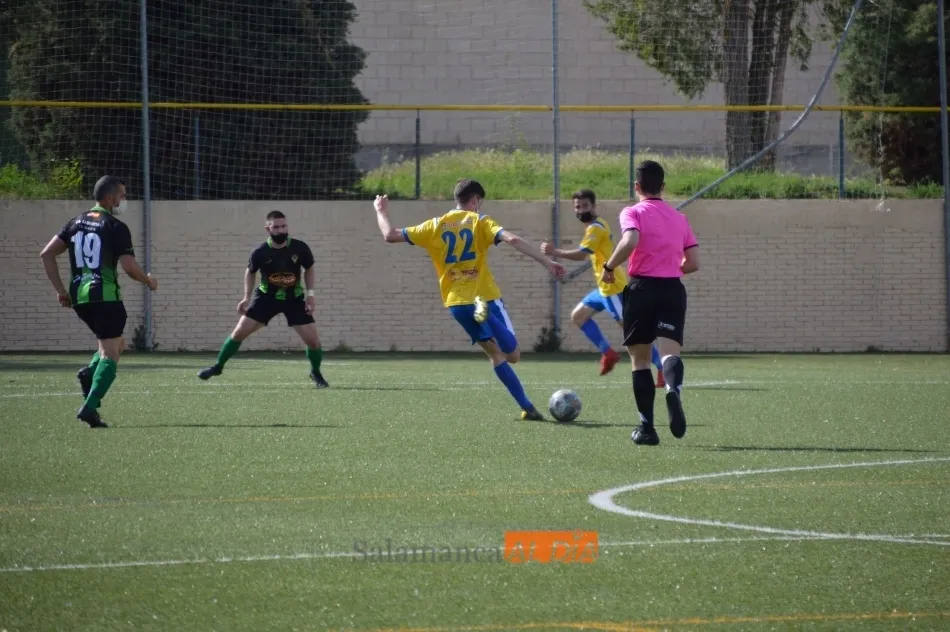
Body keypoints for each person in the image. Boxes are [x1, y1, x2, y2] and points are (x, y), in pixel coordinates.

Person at [373, 179, 567, 420]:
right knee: (513, 355)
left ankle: (528, 407)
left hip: (457, 303)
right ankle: (489, 318)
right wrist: (547, 262)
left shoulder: (435, 225)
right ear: (475, 200)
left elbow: (389, 235)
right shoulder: (480, 221)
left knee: (495, 356)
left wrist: (381, 211)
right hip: (485, 297)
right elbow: (512, 239)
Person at [40, 175, 158, 428]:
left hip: (80, 298)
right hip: (105, 297)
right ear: (111, 198)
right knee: (110, 354)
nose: (124, 200)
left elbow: (47, 254)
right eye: (122, 196)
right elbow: (129, 267)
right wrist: (148, 281)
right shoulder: (115, 226)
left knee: (117, 343)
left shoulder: (75, 222)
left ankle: (89, 373)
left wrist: (61, 290)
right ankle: (89, 407)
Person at [601, 161, 700, 446]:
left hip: (642, 288)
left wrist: (609, 266)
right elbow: (694, 263)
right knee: (669, 355)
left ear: (637, 187)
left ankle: (647, 429)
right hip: (672, 289)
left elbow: (631, 240)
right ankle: (673, 389)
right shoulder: (679, 218)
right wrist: (670, 267)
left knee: (641, 360)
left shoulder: (632, 212)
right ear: (663, 186)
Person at [541, 189, 665, 384]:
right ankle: (608, 353)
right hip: (603, 289)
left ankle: (662, 368)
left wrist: (554, 251)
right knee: (578, 316)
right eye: (577, 207)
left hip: (613, 288)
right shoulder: (596, 225)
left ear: (594, 206)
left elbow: (582, 254)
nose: (581, 210)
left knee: (632, 331)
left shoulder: (596, 228)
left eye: (585, 206)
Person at [197, 210, 328, 387]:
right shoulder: (260, 252)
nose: (281, 230)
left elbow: (309, 269)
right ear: (268, 228)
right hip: (266, 299)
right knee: (239, 333)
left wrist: (311, 295)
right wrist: (246, 297)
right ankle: (217, 367)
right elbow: (250, 272)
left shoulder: (300, 248)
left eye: (284, 226)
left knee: (313, 341)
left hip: (294, 299)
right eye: (276, 227)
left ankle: (316, 373)